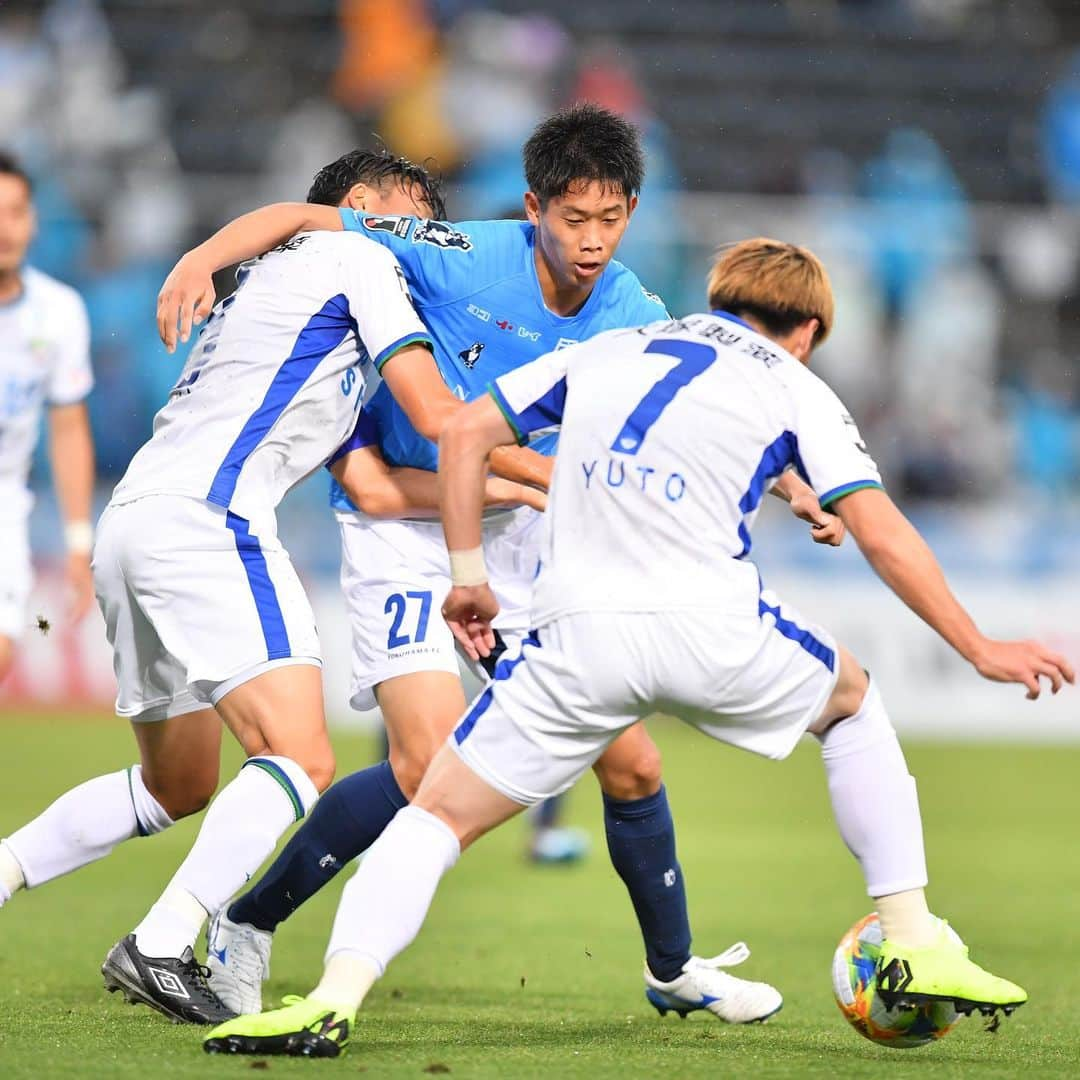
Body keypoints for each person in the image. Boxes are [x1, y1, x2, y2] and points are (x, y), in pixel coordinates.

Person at [202, 237, 1073, 1058]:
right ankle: (913, 939)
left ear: (718, 300)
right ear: (807, 333)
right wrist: (978, 647)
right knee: (851, 706)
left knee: (435, 815)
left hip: (575, 637)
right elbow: (878, 529)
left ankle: (334, 997)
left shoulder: (619, 348)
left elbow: (464, 433)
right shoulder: (795, 386)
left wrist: (469, 576)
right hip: (711, 627)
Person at [159, 109, 840, 1024]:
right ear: (534, 208)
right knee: (426, 760)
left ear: (632, 210)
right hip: (402, 527)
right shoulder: (459, 252)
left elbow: (703, 403)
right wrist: (202, 258)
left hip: (518, 539)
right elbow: (303, 216)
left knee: (634, 765)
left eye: (611, 219)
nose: (592, 242)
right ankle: (246, 924)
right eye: (573, 220)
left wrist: (795, 485)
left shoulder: (633, 310)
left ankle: (674, 969)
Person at [0, 152, 546, 1024]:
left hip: (133, 522)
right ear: (362, 206)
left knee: (173, 789)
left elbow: (370, 487)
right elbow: (447, 423)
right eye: (416, 213)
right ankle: (166, 940)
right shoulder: (358, 261)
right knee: (301, 755)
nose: (427, 238)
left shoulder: (272, 288)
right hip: (210, 524)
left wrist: (518, 484)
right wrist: (567, 476)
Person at [0, 151, 95, 683]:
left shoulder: (58, 312)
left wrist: (79, 544)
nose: (4, 228)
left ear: (34, 220)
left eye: (15, 212)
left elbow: (67, 428)